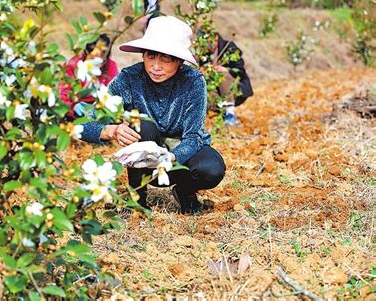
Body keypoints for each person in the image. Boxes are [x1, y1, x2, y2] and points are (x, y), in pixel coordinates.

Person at [80, 16, 226, 214]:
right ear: (143, 55)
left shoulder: (193, 82)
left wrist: (170, 157)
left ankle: (185, 192)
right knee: (141, 125)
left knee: (211, 168)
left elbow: (193, 137)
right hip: (144, 158)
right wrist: (111, 130)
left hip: (177, 157)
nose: (156, 66)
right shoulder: (129, 78)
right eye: (150, 56)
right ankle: (137, 198)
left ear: (179, 61)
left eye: (166, 59)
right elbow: (85, 122)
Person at [198, 31, 253, 125]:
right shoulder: (204, 53)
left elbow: (240, 71)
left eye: (209, 41)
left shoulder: (229, 48)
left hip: (234, 89)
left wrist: (226, 70)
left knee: (220, 74)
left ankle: (230, 113)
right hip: (215, 91)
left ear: (215, 38)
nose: (207, 45)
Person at [59, 34, 119, 119]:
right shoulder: (73, 64)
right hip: (72, 112)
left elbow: (114, 91)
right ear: (87, 51)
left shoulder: (110, 67)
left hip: (98, 110)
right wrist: (72, 107)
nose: (97, 62)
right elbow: (62, 93)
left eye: (103, 53)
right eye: (92, 58)